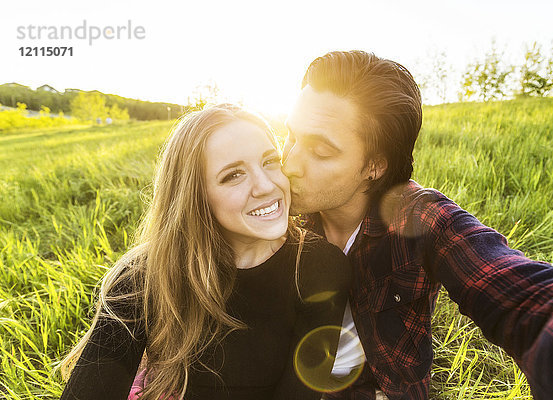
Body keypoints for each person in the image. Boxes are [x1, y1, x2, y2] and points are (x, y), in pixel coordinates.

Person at [282, 50, 553, 400]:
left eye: (321, 151)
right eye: (290, 136)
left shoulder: (419, 217)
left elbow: (523, 291)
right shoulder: (272, 211)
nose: (289, 163)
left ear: (375, 166)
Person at [59, 104, 351, 400]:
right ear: (195, 195)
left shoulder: (318, 268)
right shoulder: (143, 277)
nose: (265, 186)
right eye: (233, 175)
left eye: (270, 161)